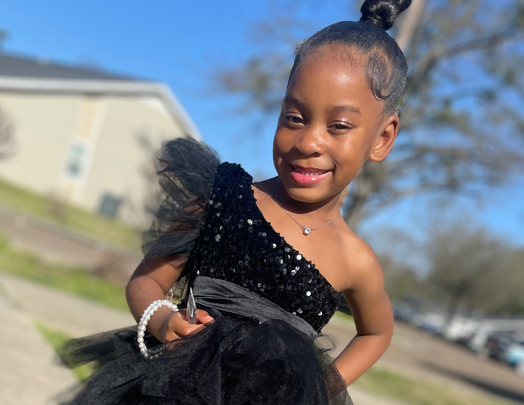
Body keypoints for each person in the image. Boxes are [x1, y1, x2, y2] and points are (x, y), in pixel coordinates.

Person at [60, 0, 411, 403]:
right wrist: (162, 320)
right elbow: (146, 281)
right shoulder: (221, 199)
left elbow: (377, 331)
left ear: (382, 138)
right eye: (295, 117)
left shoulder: (356, 260)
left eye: (339, 126)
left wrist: (322, 387)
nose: (309, 142)